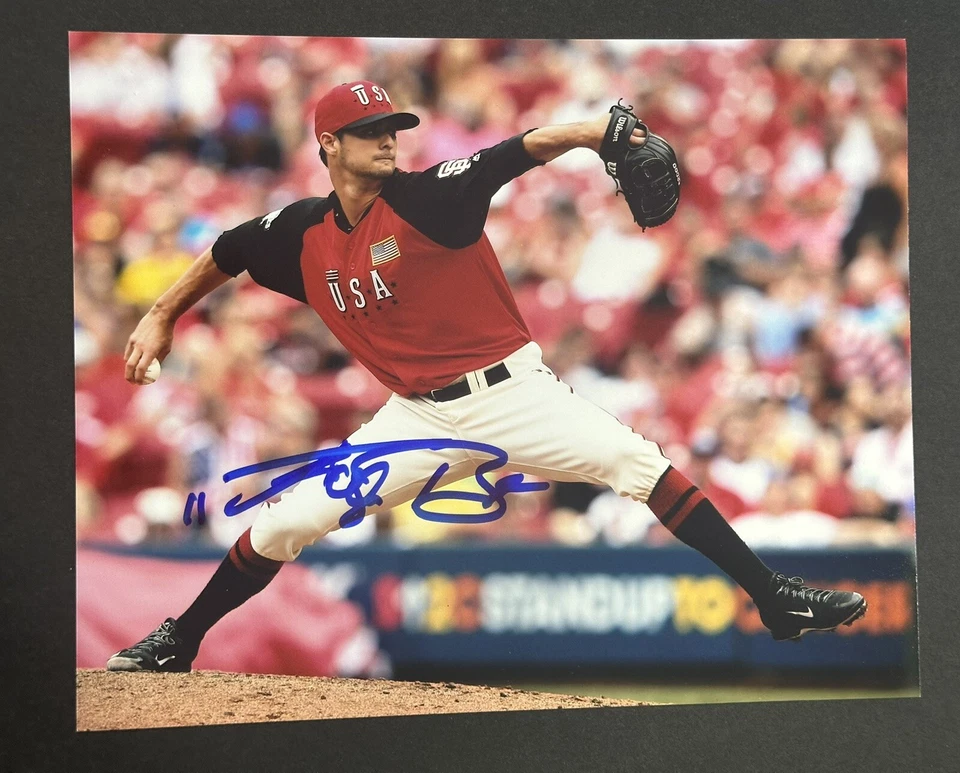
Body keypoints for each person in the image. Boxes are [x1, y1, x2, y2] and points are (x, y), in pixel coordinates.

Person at [107, 80, 866, 672]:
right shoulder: (300, 233)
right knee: (284, 521)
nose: (389, 141)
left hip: (513, 394)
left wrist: (597, 132)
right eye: (371, 133)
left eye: (393, 129)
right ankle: (181, 637)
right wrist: (163, 313)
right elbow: (230, 250)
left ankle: (774, 598)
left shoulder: (428, 198)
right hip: (416, 419)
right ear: (329, 145)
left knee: (637, 463)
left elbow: (515, 150)